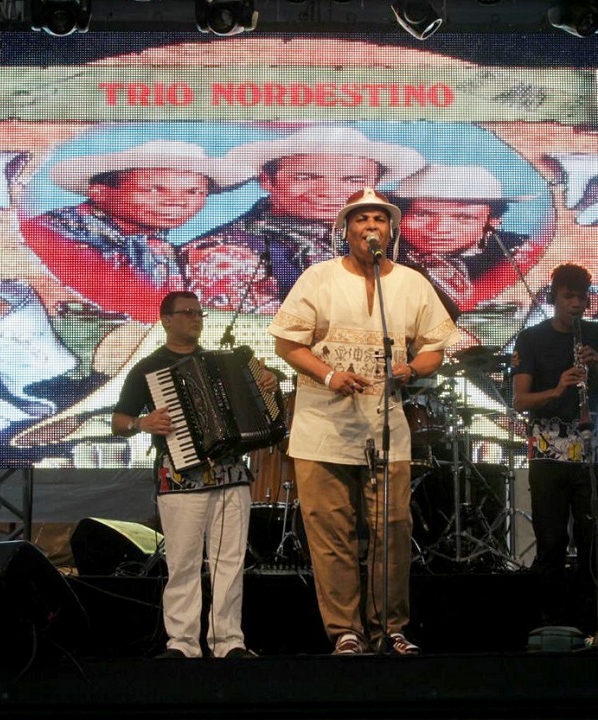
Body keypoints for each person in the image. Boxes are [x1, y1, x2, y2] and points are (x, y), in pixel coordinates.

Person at [268, 187, 458, 655]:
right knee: (331, 535)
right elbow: (286, 343)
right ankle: (345, 631)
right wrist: (329, 375)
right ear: (345, 229)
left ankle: (390, 628)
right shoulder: (318, 277)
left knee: (392, 530)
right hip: (322, 428)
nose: (370, 226)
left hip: (385, 426)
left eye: (379, 219)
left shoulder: (411, 283)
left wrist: (411, 370)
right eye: (361, 219)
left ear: (391, 230)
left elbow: (434, 347)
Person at [111, 290, 279, 659]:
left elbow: (264, 397)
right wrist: (142, 423)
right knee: (183, 563)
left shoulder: (223, 363)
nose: (195, 318)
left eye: (199, 313)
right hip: (179, 479)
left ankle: (229, 641)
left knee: (230, 563)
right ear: (166, 320)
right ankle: (183, 643)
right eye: (186, 312)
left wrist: (268, 381)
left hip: (231, 476)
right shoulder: (148, 368)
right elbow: (118, 421)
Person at [511, 263, 598, 641]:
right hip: (547, 454)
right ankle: (551, 624)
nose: (576, 304)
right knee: (551, 541)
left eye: (582, 297)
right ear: (554, 297)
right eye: (569, 297)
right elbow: (520, 400)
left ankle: (591, 627)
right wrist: (558, 389)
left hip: (590, 453)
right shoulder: (531, 339)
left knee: (592, 540)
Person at [179, 126, 425, 313]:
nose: (329, 192)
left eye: (352, 180)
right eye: (306, 177)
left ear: (374, 186)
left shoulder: (377, 242)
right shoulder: (226, 252)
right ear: (266, 180)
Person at [18, 140, 251, 323]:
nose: (177, 202)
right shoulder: (48, 236)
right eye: (154, 190)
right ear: (99, 193)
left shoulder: (164, 251)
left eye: (193, 192)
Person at [391, 164, 544, 314]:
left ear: (493, 221)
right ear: (399, 216)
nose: (440, 229)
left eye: (464, 217)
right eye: (422, 214)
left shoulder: (523, 254)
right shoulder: (381, 256)